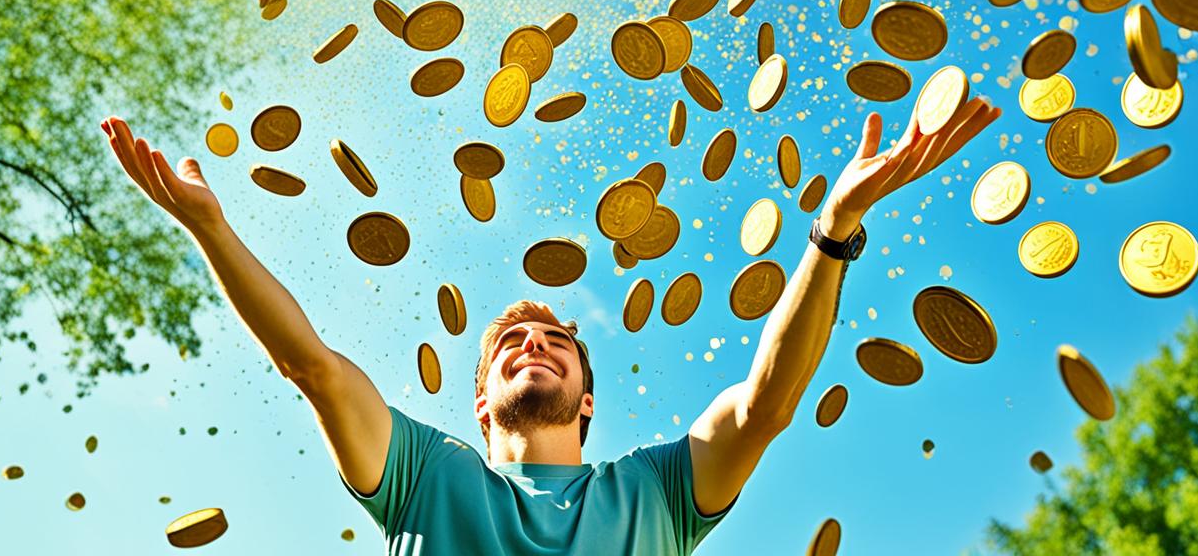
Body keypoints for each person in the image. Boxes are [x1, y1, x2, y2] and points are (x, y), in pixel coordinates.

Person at [100, 96, 999, 554]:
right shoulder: (422, 476)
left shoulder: (657, 495)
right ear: (482, 406)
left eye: (558, 341)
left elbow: (762, 406)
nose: (533, 344)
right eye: (509, 347)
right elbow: (315, 368)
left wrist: (832, 234)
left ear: (587, 400)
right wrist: (211, 228)